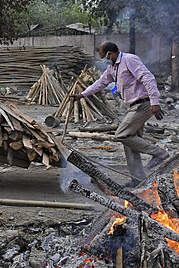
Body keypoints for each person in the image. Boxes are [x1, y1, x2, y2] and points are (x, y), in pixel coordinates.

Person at [69, 41, 169, 187]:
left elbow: (148, 78)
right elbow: (100, 83)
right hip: (134, 106)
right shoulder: (112, 68)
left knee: (122, 134)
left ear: (111, 53)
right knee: (130, 143)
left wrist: (155, 102)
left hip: (143, 104)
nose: (104, 60)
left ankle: (159, 153)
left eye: (104, 56)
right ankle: (138, 180)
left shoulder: (129, 60)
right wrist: (82, 95)